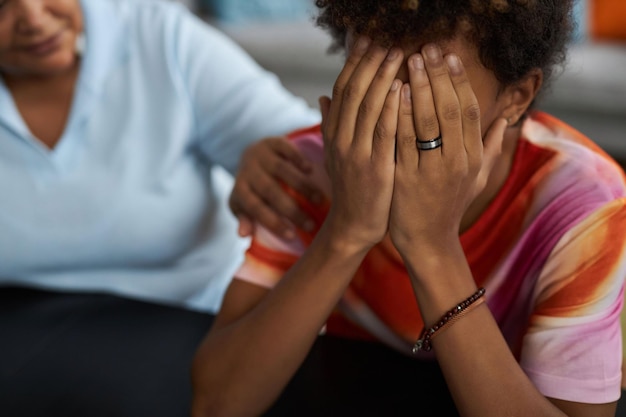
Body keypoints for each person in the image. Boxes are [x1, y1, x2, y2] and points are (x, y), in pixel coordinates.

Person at [191, 1, 626, 416]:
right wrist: (346, 232)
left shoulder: (585, 205)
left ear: (516, 97)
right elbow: (218, 403)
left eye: (433, 103)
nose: (392, 127)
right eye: (374, 90)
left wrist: (432, 246)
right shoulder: (313, 168)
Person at [0, 0, 320, 415]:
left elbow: (318, 156)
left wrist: (274, 161)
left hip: (192, 324)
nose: (34, 17)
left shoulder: (162, 39)